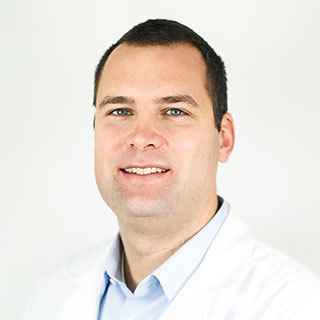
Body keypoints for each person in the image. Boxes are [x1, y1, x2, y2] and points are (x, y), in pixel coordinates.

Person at [24, 19, 320, 320]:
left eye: (175, 111)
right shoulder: (51, 296)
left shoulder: (296, 306)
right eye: (120, 111)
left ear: (224, 138)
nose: (141, 137)